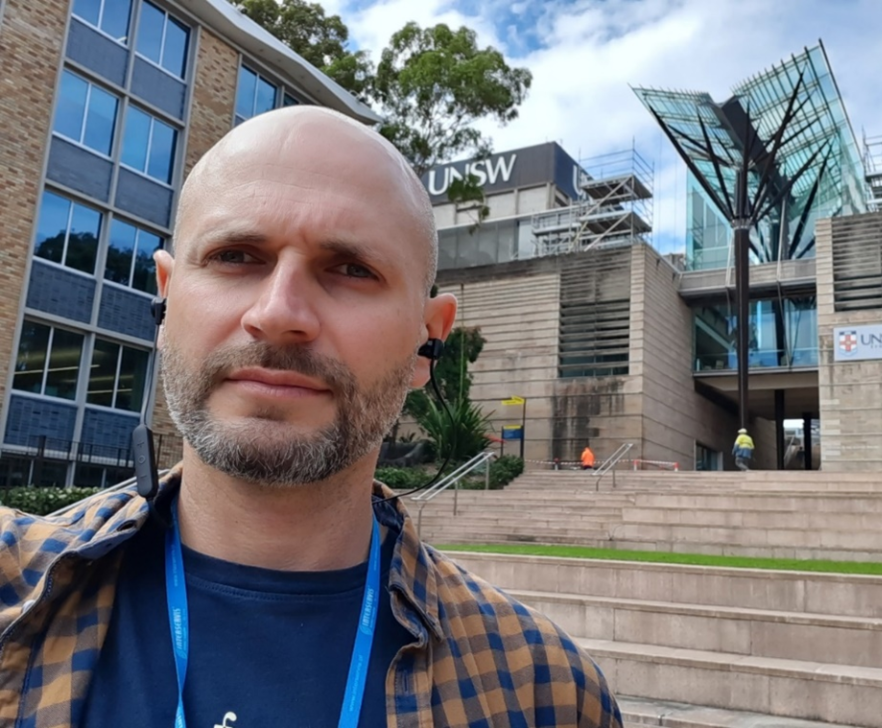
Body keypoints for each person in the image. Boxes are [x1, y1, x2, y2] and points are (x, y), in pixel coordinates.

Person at [0, 108, 623, 727]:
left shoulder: (547, 695)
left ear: (425, 341)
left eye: (351, 269)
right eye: (236, 256)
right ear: (166, 297)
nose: (278, 313)